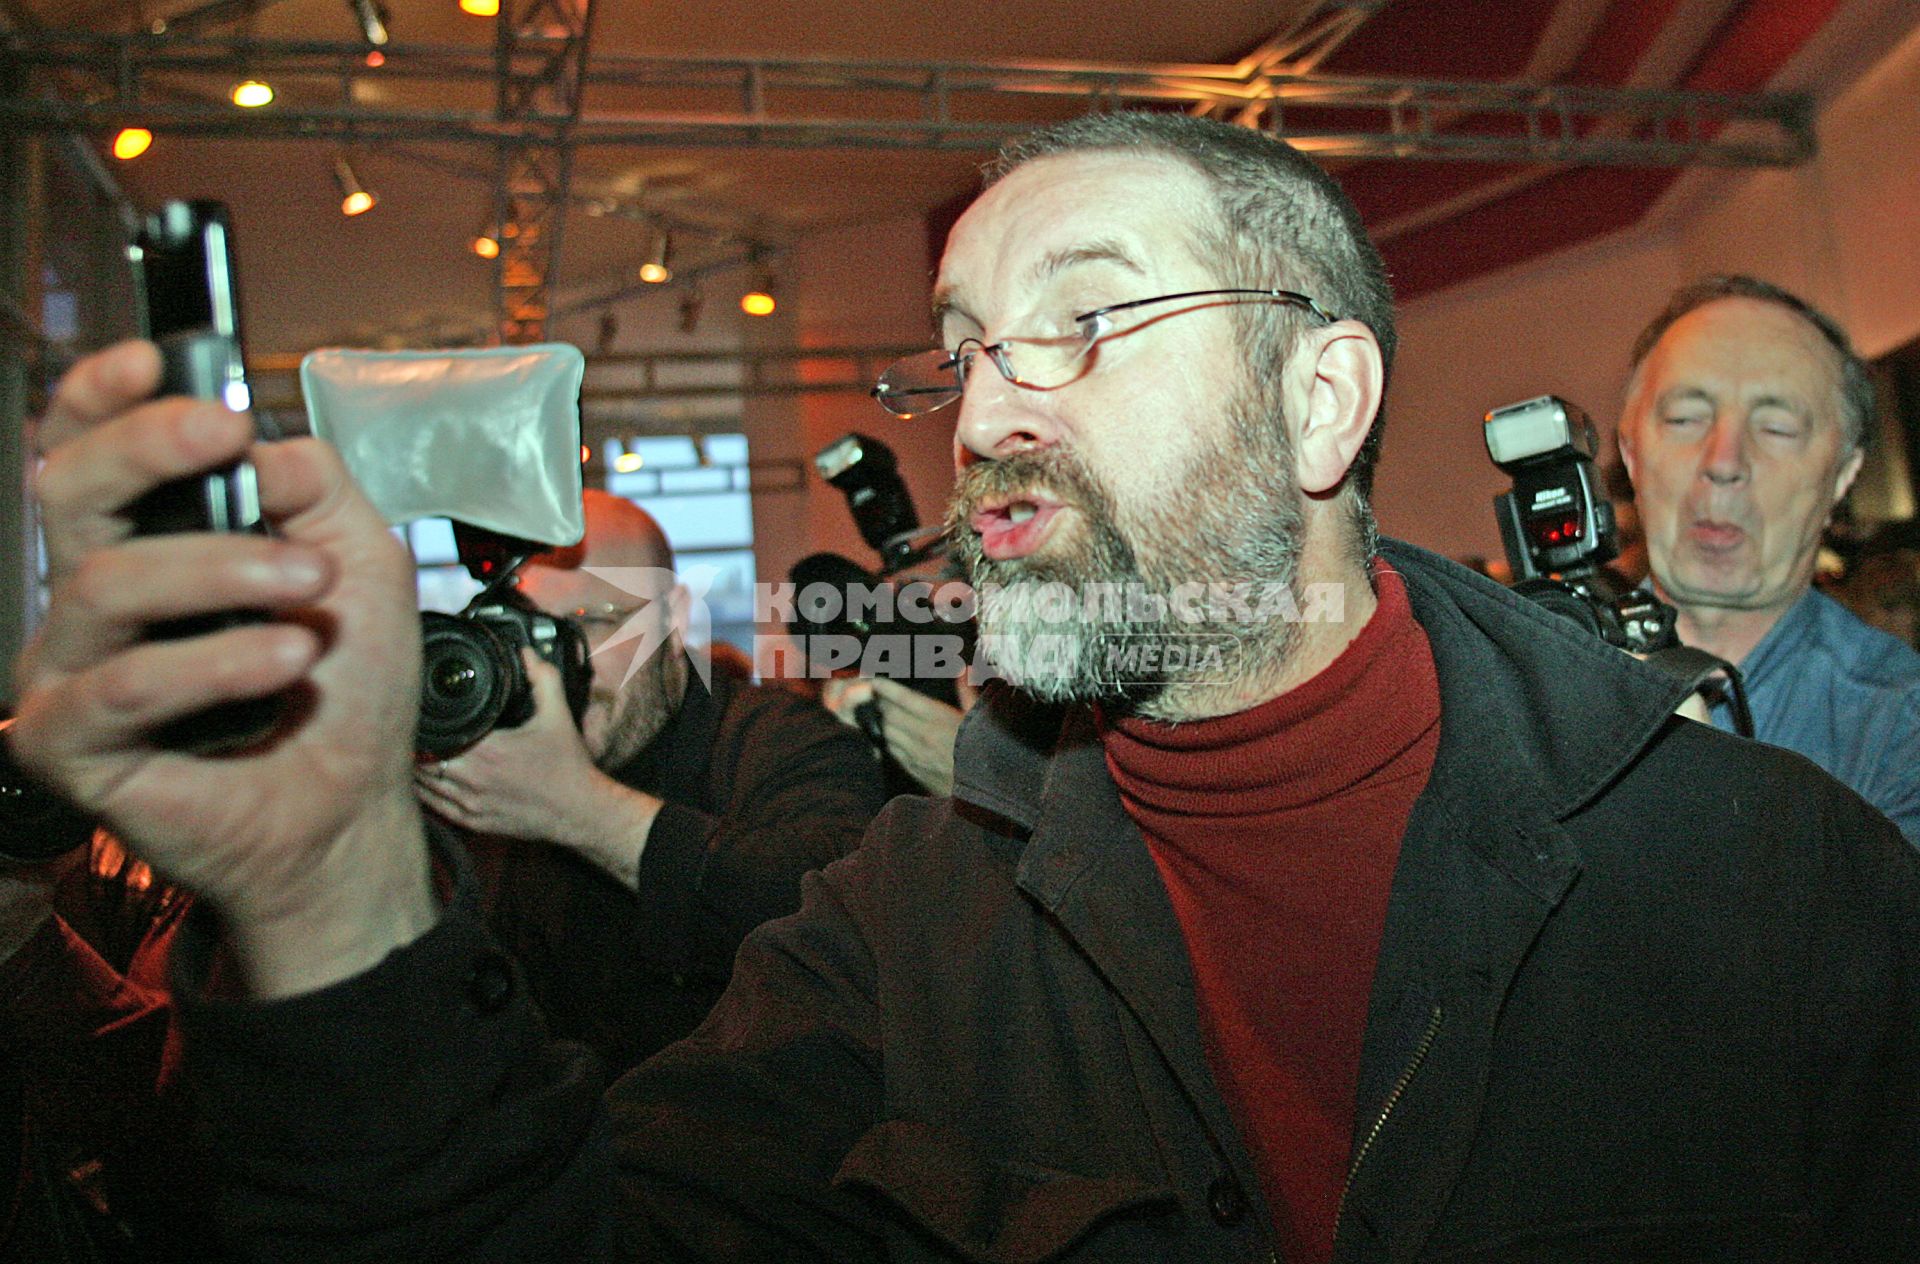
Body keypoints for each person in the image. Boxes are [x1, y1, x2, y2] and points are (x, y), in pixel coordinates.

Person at [10, 112, 1918, 1261]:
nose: (991, 410)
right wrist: (328, 889)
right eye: (966, 354)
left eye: (1085, 322)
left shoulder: (1780, 882)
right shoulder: (905, 936)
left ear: (1321, 399)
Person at [414, 490, 889, 1071]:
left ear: (675, 614)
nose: (564, 663)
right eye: (534, 634)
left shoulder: (779, 741)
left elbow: (837, 918)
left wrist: (580, 810)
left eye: (590, 625)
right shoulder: (483, 767)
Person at [1617, 275, 1920, 844]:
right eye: (1685, 417)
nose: (1724, 460)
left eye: (1777, 427)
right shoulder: (1526, 690)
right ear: (1631, 453)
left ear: (1844, 475)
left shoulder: (1897, 732)